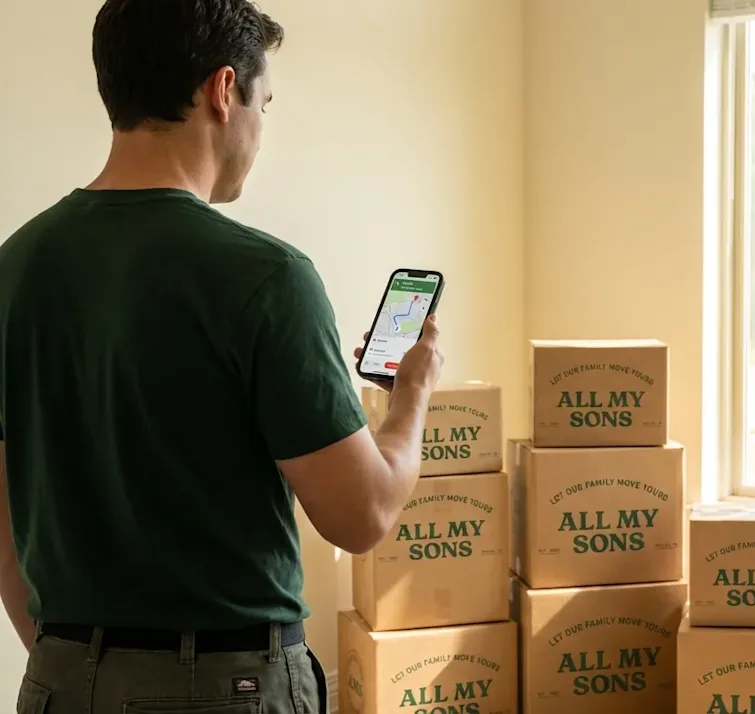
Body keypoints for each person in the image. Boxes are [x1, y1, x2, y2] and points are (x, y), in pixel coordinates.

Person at [0, 1, 443, 711]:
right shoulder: (265, 277)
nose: (262, 132)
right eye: (265, 103)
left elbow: (5, 509)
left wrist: (76, 658)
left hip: (57, 675)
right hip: (226, 682)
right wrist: (412, 393)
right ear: (224, 90)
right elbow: (362, 514)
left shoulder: (14, 268)